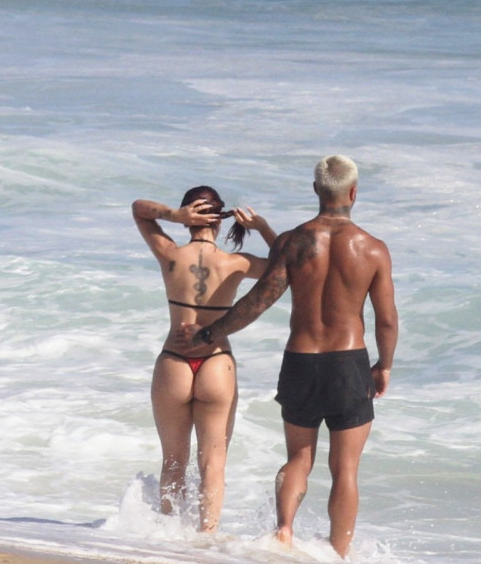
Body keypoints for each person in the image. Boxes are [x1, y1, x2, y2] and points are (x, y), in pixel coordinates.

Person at [178, 155, 399, 558]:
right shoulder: (374, 249)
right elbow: (386, 321)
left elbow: (258, 301)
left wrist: (210, 333)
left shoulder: (293, 242)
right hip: (348, 364)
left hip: (300, 360)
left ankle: (283, 531)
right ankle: (338, 553)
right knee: (345, 470)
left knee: (299, 457)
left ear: (316, 190)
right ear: (353, 192)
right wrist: (384, 366)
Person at [132, 187, 276, 533]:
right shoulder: (236, 263)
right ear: (220, 217)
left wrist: (173, 216)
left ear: (189, 218)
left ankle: (167, 537)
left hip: (174, 361)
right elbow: (289, 267)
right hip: (216, 361)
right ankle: (206, 542)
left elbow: (139, 210)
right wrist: (262, 227)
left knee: (174, 461)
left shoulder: (169, 253)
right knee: (213, 464)